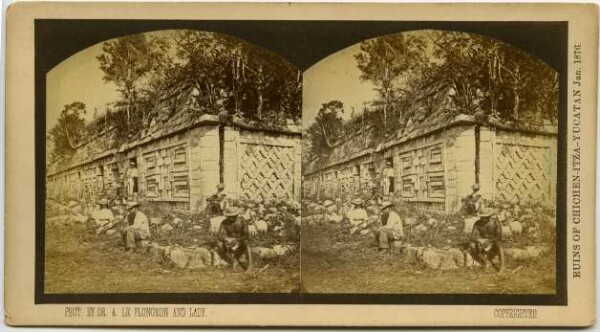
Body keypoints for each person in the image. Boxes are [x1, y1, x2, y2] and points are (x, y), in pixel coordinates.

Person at [217, 206, 251, 271]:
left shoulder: (242, 222)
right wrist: (225, 240)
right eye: (229, 217)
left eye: (233, 216)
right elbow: (219, 235)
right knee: (219, 245)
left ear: (237, 215)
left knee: (241, 257)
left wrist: (237, 240)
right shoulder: (224, 222)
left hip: (240, 241)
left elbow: (246, 235)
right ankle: (233, 261)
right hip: (230, 241)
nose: (231, 218)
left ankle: (248, 265)